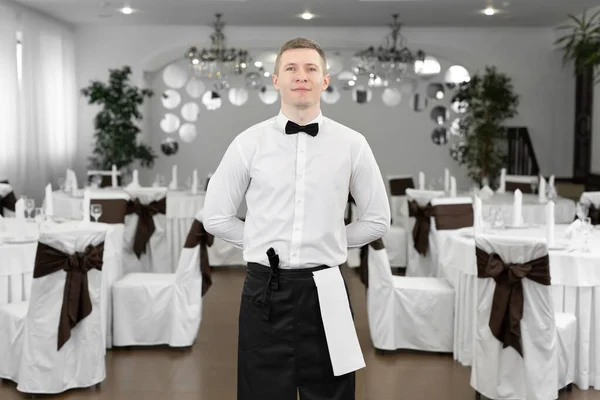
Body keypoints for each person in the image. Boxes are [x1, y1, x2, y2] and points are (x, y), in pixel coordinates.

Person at [203, 37, 390, 400]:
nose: (300, 75)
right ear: (276, 80)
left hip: (328, 288)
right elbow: (215, 217)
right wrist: (265, 239)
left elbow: (378, 219)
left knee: (333, 393)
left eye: (310, 68)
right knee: (262, 391)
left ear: (325, 80)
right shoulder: (248, 143)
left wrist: (329, 239)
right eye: (290, 68)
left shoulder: (352, 144)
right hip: (264, 289)